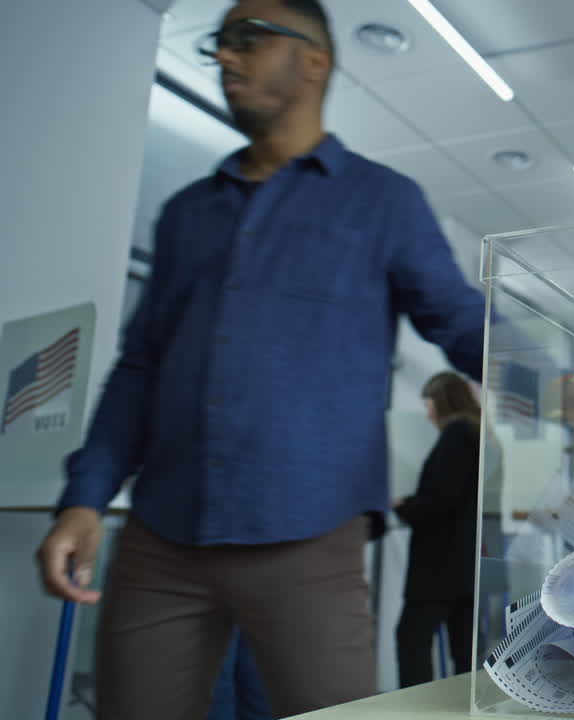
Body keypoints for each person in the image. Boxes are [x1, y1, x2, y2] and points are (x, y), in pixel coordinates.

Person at [34, 0, 486, 716]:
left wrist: (559, 383)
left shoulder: (383, 203)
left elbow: (462, 322)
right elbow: (141, 366)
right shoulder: (187, 214)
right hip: (163, 537)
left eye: (249, 39)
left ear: (314, 61)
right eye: (220, 41)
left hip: (309, 536)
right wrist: (85, 497)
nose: (224, 56)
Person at [393, 372, 488, 687]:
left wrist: (402, 506)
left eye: (428, 403)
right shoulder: (478, 434)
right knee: (464, 649)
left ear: (441, 400)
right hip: (466, 561)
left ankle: (416, 710)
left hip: (439, 565)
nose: (426, 412)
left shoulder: (457, 433)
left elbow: (439, 501)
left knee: (412, 639)